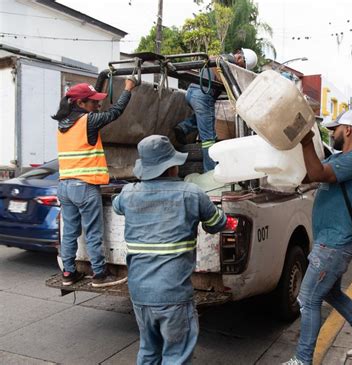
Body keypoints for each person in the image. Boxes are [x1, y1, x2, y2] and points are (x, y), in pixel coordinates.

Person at [112, 135, 227, 364]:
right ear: (173, 167)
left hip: (139, 293)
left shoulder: (128, 194)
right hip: (173, 294)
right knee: (176, 355)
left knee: (148, 350)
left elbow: (117, 206)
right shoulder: (191, 193)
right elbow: (217, 223)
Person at [284, 110, 352, 365]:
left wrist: (307, 140)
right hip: (329, 242)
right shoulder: (341, 158)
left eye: (334, 129)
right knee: (330, 293)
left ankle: (303, 360)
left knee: (308, 300)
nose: (332, 133)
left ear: (348, 130)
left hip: (334, 245)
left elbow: (319, 174)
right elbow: (311, 173)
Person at [53, 79, 136, 287]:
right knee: (93, 232)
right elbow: (115, 113)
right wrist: (128, 89)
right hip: (84, 187)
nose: (97, 106)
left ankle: (68, 273)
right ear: (80, 103)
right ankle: (100, 274)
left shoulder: (62, 125)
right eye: (93, 102)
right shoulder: (87, 121)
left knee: (70, 231)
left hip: (64, 186)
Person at [174, 48, 258, 172]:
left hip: (191, 92)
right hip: (203, 96)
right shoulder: (228, 61)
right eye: (243, 65)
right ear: (240, 58)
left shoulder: (223, 59)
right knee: (208, 138)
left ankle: (184, 127)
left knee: (203, 120)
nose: (241, 68)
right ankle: (210, 172)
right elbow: (215, 63)